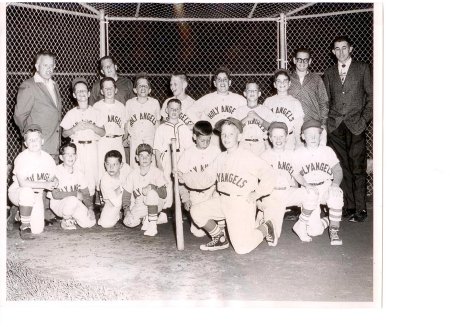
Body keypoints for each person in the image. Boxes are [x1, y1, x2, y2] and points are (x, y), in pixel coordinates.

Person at [179, 117, 277, 254]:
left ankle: (267, 227)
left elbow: (270, 174)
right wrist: (185, 178)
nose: (226, 137)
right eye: (223, 134)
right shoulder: (221, 157)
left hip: (241, 203)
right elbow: (205, 178)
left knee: (242, 248)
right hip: (222, 200)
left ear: (240, 136)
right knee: (196, 211)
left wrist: (258, 193)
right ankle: (219, 238)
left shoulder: (247, 156)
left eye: (231, 134)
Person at [323, 35, 372, 223]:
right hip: (336, 126)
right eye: (337, 49)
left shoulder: (363, 68)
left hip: (356, 125)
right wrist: (328, 122)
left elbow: (372, 97)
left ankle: (361, 208)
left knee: (358, 167)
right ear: (333, 52)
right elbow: (326, 101)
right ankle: (349, 206)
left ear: (351, 49)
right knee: (342, 167)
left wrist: (364, 120)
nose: (341, 52)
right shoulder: (328, 72)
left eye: (344, 48)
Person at [258, 122, 319, 245]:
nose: (278, 140)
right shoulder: (263, 156)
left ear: (286, 137)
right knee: (273, 241)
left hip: (287, 192)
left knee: (311, 193)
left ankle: (301, 225)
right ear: (270, 138)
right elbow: (256, 180)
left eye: (281, 136)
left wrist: (307, 185)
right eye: (275, 137)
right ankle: (262, 219)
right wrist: (258, 200)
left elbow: (297, 174)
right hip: (271, 196)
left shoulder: (291, 154)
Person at [292, 119, 344, 245]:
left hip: (325, 185)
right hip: (310, 190)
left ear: (321, 135)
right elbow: (296, 174)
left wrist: (335, 184)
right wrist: (305, 185)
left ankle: (334, 229)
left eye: (317, 134)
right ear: (303, 136)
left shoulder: (327, 151)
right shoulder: (298, 153)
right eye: (310, 134)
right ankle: (328, 219)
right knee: (315, 231)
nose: (313, 137)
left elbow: (337, 170)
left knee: (336, 195)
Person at [7, 124, 58, 240]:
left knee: (37, 230)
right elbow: (23, 184)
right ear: (25, 144)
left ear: (42, 141)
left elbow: (52, 177)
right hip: (18, 192)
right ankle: (24, 227)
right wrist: (45, 185)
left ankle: (20, 213)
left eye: (37, 139)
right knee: (27, 191)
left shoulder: (48, 159)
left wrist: (55, 181)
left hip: (37, 195)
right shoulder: (21, 158)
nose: (34, 142)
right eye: (30, 139)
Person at [14, 50, 62, 162]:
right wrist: (31, 137)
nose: (49, 68)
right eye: (45, 65)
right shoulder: (29, 86)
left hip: (54, 146)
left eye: (51, 65)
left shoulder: (55, 85)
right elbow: (19, 116)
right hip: (37, 148)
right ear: (37, 66)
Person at [60, 77, 105, 197]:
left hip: (92, 147)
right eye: (78, 91)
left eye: (84, 90)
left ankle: (89, 206)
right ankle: (77, 204)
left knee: (91, 176)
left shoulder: (96, 112)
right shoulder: (71, 113)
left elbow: (102, 132)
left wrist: (92, 126)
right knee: (78, 175)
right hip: (77, 147)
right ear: (74, 95)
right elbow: (64, 133)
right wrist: (75, 128)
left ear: (89, 93)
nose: (82, 93)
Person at [177, 120, 222, 237]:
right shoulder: (188, 154)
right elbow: (180, 180)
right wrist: (185, 198)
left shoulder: (215, 151)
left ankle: (221, 224)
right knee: (198, 233)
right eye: (202, 140)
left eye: (208, 140)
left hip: (212, 191)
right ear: (194, 137)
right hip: (195, 193)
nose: (206, 143)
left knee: (219, 202)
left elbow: (221, 176)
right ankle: (215, 223)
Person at [153, 98, 194, 223]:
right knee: (168, 184)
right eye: (171, 109)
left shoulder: (184, 127)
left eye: (177, 109)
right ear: (166, 110)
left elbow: (189, 148)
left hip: (182, 157)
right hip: (167, 158)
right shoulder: (162, 128)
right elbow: (157, 149)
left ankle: (181, 212)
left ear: (181, 110)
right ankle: (165, 212)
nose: (174, 111)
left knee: (182, 183)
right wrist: (159, 165)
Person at [188, 67, 246, 147]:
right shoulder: (207, 98)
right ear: (215, 83)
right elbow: (190, 112)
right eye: (219, 79)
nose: (222, 82)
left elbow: (248, 112)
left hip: (232, 137)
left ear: (229, 82)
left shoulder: (239, 99)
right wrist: (205, 128)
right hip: (214, 137)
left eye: (225, 79)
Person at [48, 143, 96, 230]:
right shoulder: (56, 171)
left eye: (73, 154)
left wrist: (90, 208)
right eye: (68, 154)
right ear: (61, 157)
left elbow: (85, 193)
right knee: (73, 199)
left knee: (90, 222)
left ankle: (72, 217)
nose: (71, 157)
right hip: (58, 204)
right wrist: (75, 194)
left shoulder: (79, 172)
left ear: (76, 156)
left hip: (73, 203)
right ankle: (65, 220)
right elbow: (55, 195)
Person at [122, 143, 168, 237]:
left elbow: (164, 194)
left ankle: (152, 226)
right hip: (140, 205)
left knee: (151, 193)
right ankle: (149, 218)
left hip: (156, 202)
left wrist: (152, 187)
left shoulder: (157, 172)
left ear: (152, 157)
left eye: (148, 155)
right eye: (141, 156)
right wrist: (127, 211)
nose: (145, 158)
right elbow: (126, 195)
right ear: (137, 158)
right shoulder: (132, 174)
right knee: (129, 222)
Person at [288, 47, 329, 146]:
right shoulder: (288, 79)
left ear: (310, 61)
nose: (302, 62)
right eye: (299, 59)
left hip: (312, 123)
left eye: (305, 60)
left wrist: (323, 123)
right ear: (294, 60)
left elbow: (324, 102)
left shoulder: (316, 79)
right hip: (294, 125)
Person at [93, 77, 127, 186]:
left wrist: (123, 138)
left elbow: (124, 126)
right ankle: (102, 195)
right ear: (102, 91)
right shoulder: (97, 106)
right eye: (105, 88)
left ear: (116, 90)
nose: (109, 90)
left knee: (120, 167)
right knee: (102, 167)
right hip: (103, 140)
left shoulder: (121, 106)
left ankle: (120, 194)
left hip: (117, 140)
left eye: (111, 88)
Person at [125, 73, 161, 169]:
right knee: (135, 166)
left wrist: (158, 140)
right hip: (135, 139)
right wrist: (125, 137)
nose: (143, 88)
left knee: (151, 166)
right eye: (140, 86)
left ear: (149, 90)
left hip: (150, 138)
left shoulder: (154, 103)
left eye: (145, 86)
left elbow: (157, 123)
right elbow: (126, 122)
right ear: (135, 90)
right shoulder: (130, 103)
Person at [263, 69, 304, 150]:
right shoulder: (268, 101)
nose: (282, 83)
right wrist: (266, 143)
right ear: (274, 84)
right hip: (273, 140)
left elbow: (298, 126)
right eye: (278, 81)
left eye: (285, 81)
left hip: (289, 139)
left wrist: (298, 143)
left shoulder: (295, 102)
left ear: (289, 83)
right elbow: (264, 125)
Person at [234, 82, 274, 156]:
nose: (252, 92)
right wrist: (246, 119)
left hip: (260, 144)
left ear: (259, 93)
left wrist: (257, 117)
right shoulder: (239, 111)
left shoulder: (265, 110)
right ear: (245, 93)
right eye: (249, 90)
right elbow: (234, 129)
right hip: (243, 144)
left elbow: (271, 128)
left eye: (255, 90)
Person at [99, 150, 131, 228]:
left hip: (129, 199)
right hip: (112, 202)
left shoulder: (126, 168)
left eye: (115, 164)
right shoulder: (104, 179)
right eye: (108, 164)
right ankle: (118, 214)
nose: (111, 168)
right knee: (105, 224)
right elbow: (114, 201)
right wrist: (122, 187)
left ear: (121, 165)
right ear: (104, 164)